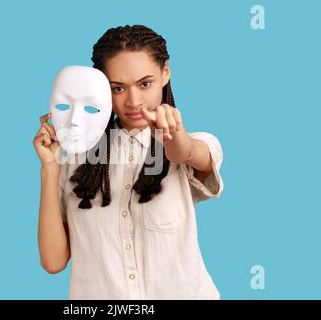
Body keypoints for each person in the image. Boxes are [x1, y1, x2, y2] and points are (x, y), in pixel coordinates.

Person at [33, 25, 224, 300]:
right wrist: (50, 167)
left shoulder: (193, 145)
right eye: (118, 88)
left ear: (165, 73)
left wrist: (172, 135)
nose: (134, 101)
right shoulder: (75, 161)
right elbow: (53, 262)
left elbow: (184, 152)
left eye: (145, 84)